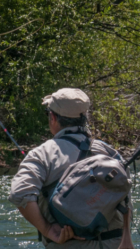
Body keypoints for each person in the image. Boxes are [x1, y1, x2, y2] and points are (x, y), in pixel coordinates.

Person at [9, 88, 134, 248]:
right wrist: (126, 238)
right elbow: (125, 195)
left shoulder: (42, 154)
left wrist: (48, 230)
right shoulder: (109, 153)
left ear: (52, 117)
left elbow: (20, 193)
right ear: (85, 118)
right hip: (115, 244)